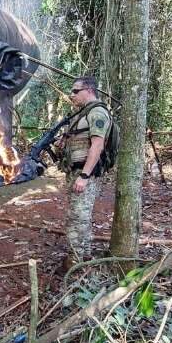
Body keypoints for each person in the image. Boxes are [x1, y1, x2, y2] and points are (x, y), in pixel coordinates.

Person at [60, 77, 111, 267]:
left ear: (88, 90)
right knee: (82, 216)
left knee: (76, 219)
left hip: (85, 173)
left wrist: (84, 176)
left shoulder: (97, 112)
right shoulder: (82, 113)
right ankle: (86, 254)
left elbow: (97, 146)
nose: (71, 95)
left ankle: (74, 263)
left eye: (75, 91)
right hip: (77, 171)